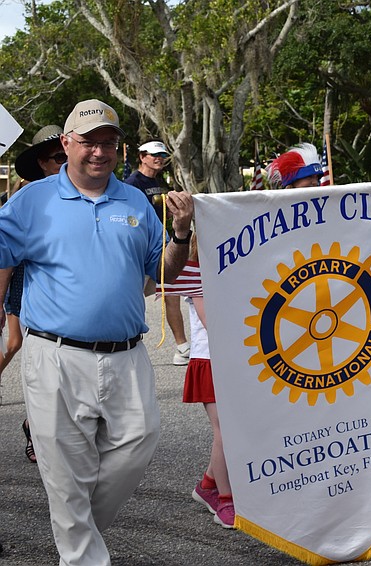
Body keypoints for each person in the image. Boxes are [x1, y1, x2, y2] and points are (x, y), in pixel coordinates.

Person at [0, 99, 194, 566]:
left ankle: (78, 537)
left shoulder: (135, 202)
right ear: (67, 143)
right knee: (66, 474)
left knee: (138, 443)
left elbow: (160, 276)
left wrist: (182, 234)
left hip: (127, 355)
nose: (98, 152)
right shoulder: (32, 200)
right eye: (88, 141)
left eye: (107, 143)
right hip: (55, 355)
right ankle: (82, 555)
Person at [3, 124, 66, 463]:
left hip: (65, 300)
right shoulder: (26, 199)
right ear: (42, 162)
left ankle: (38, 423)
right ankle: (37, 423)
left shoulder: (90, 193)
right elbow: (6, 256)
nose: (65, 164)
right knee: (24, 349)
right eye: (58, 158)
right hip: (24, 285)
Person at [177, 236, 235, 529]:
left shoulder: (234, 268)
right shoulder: (196, 271)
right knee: (225, 431)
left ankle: (208, 484)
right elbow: (210, 320)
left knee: (233, 428)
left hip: (233, 358)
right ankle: (225, 499)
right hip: (209, 360)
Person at [125, 140, 191, 366]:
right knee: (131, 295)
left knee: (171, 292)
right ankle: (126, 339)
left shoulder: (158, 182)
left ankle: (182, 347)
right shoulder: (133, 183)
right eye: (154, 155)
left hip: (163, 244)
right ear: (142, 156)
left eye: (162, 155)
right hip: (144, 249)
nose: (159, 158)